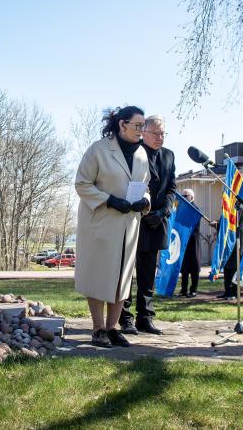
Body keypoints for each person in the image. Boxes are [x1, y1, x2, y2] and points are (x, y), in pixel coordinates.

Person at [75, 106, 151, 347]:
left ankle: (112, 327)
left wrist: (145, 201)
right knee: (100, 274)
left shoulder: (141, 154)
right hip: (101, 223)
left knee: (122, 277)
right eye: (138, 126)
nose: (142, 131)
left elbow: (145, 185)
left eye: (143, 126)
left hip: (129, 225)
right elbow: (82, 184)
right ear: (122, 124)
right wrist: (109, 200)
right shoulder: (98, 150)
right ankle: (98, 329)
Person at [119, 115, 175, 335]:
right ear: (145, 133)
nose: (160, 138)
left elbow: (171, 188)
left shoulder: (168, 156)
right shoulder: (134, 153)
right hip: (133, 221)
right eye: (156, 134)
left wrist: (162, 212)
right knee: (126, 272)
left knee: (147, 274)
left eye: (163, 134)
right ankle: (125, 318)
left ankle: (146, 317)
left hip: (156, 222)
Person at [218, 203, 243, 301]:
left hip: (235, 243)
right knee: (226, 268)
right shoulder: (226, 211)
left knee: (234, 268)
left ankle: (234, 292)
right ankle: (227, 291)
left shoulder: (239, 211)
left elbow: (233, 224)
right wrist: (217, 224)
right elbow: (223, 225)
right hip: (227, 242)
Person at [179, 189, 201, 298]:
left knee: (194, 267)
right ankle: (183, 290)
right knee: (184, 267)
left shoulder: (195, 209)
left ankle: (193, 290)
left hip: (193, 241)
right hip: (184, 242)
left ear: (191, 197)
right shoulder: (182, 209)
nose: (183, 197)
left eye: (185, 195)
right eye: (182, 195)